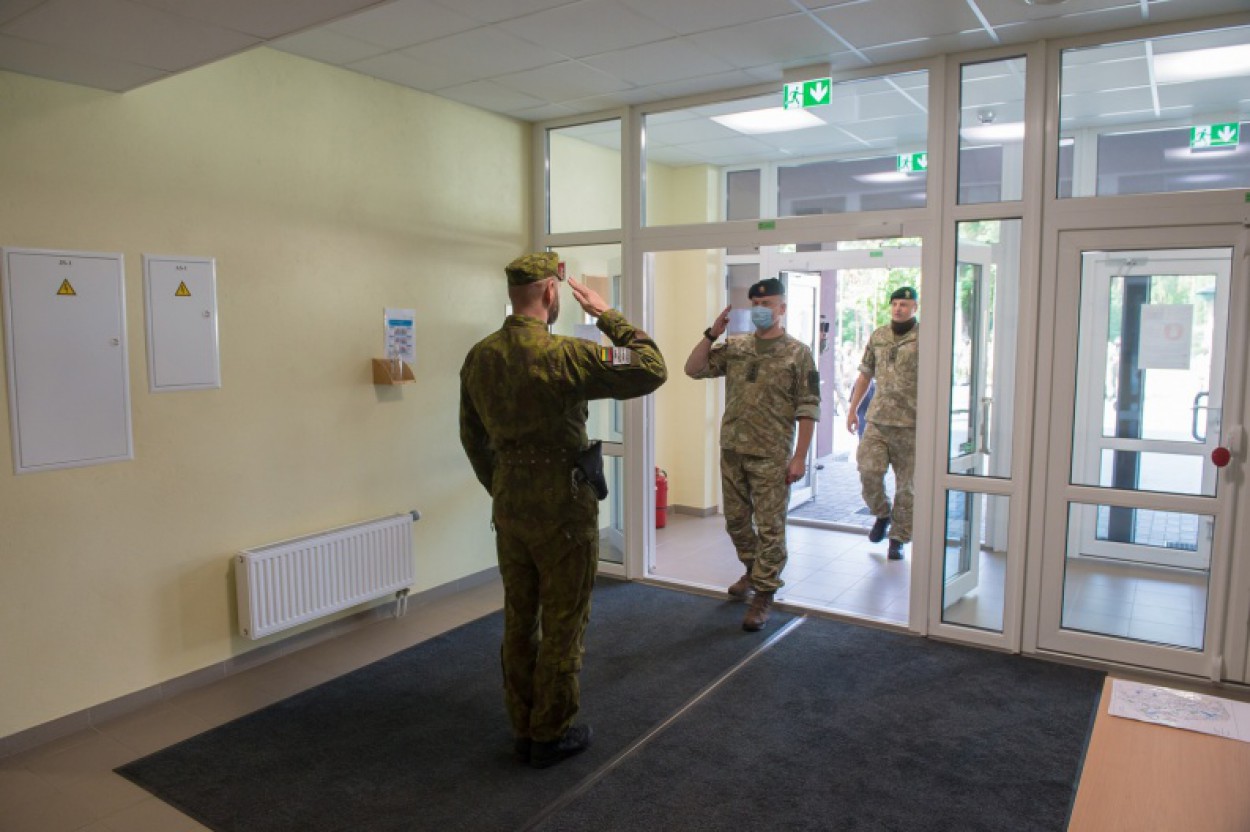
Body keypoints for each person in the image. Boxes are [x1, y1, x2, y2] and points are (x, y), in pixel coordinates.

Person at [459, 252, 667, 769]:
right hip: (564, 511)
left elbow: (472, 437)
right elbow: (651, 367)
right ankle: (550, 732)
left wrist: (503, 486)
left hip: (510, 507)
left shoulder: (480, 357)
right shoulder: (567, 355)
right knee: (563, 622)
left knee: (518, 617)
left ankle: (522, 725)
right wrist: (606, 314)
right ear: (552, 292)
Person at [684, 277, 820, 632]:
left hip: (772, 455)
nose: (761, 310)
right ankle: (752, 570)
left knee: (771, 527)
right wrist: (711, 334)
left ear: (782, 308)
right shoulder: (737, 346)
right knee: (736, 522)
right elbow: (693, 369)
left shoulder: (798, 353)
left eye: (767, 304)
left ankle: (764, 593)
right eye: (755, 305)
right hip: (733, 449)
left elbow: (808, 407)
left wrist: (800, 457)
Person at [846, 286, 919, 561]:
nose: (898, 308)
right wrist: (853, 410)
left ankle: (898, 538)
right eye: (895, 304)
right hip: (878, 420)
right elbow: (865, 375)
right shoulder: (879, 336)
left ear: (914, 308)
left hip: (912, 423)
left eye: (904, 304)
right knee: (868, 469)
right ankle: (882, 513)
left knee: (907, 488)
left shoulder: (925, 336)